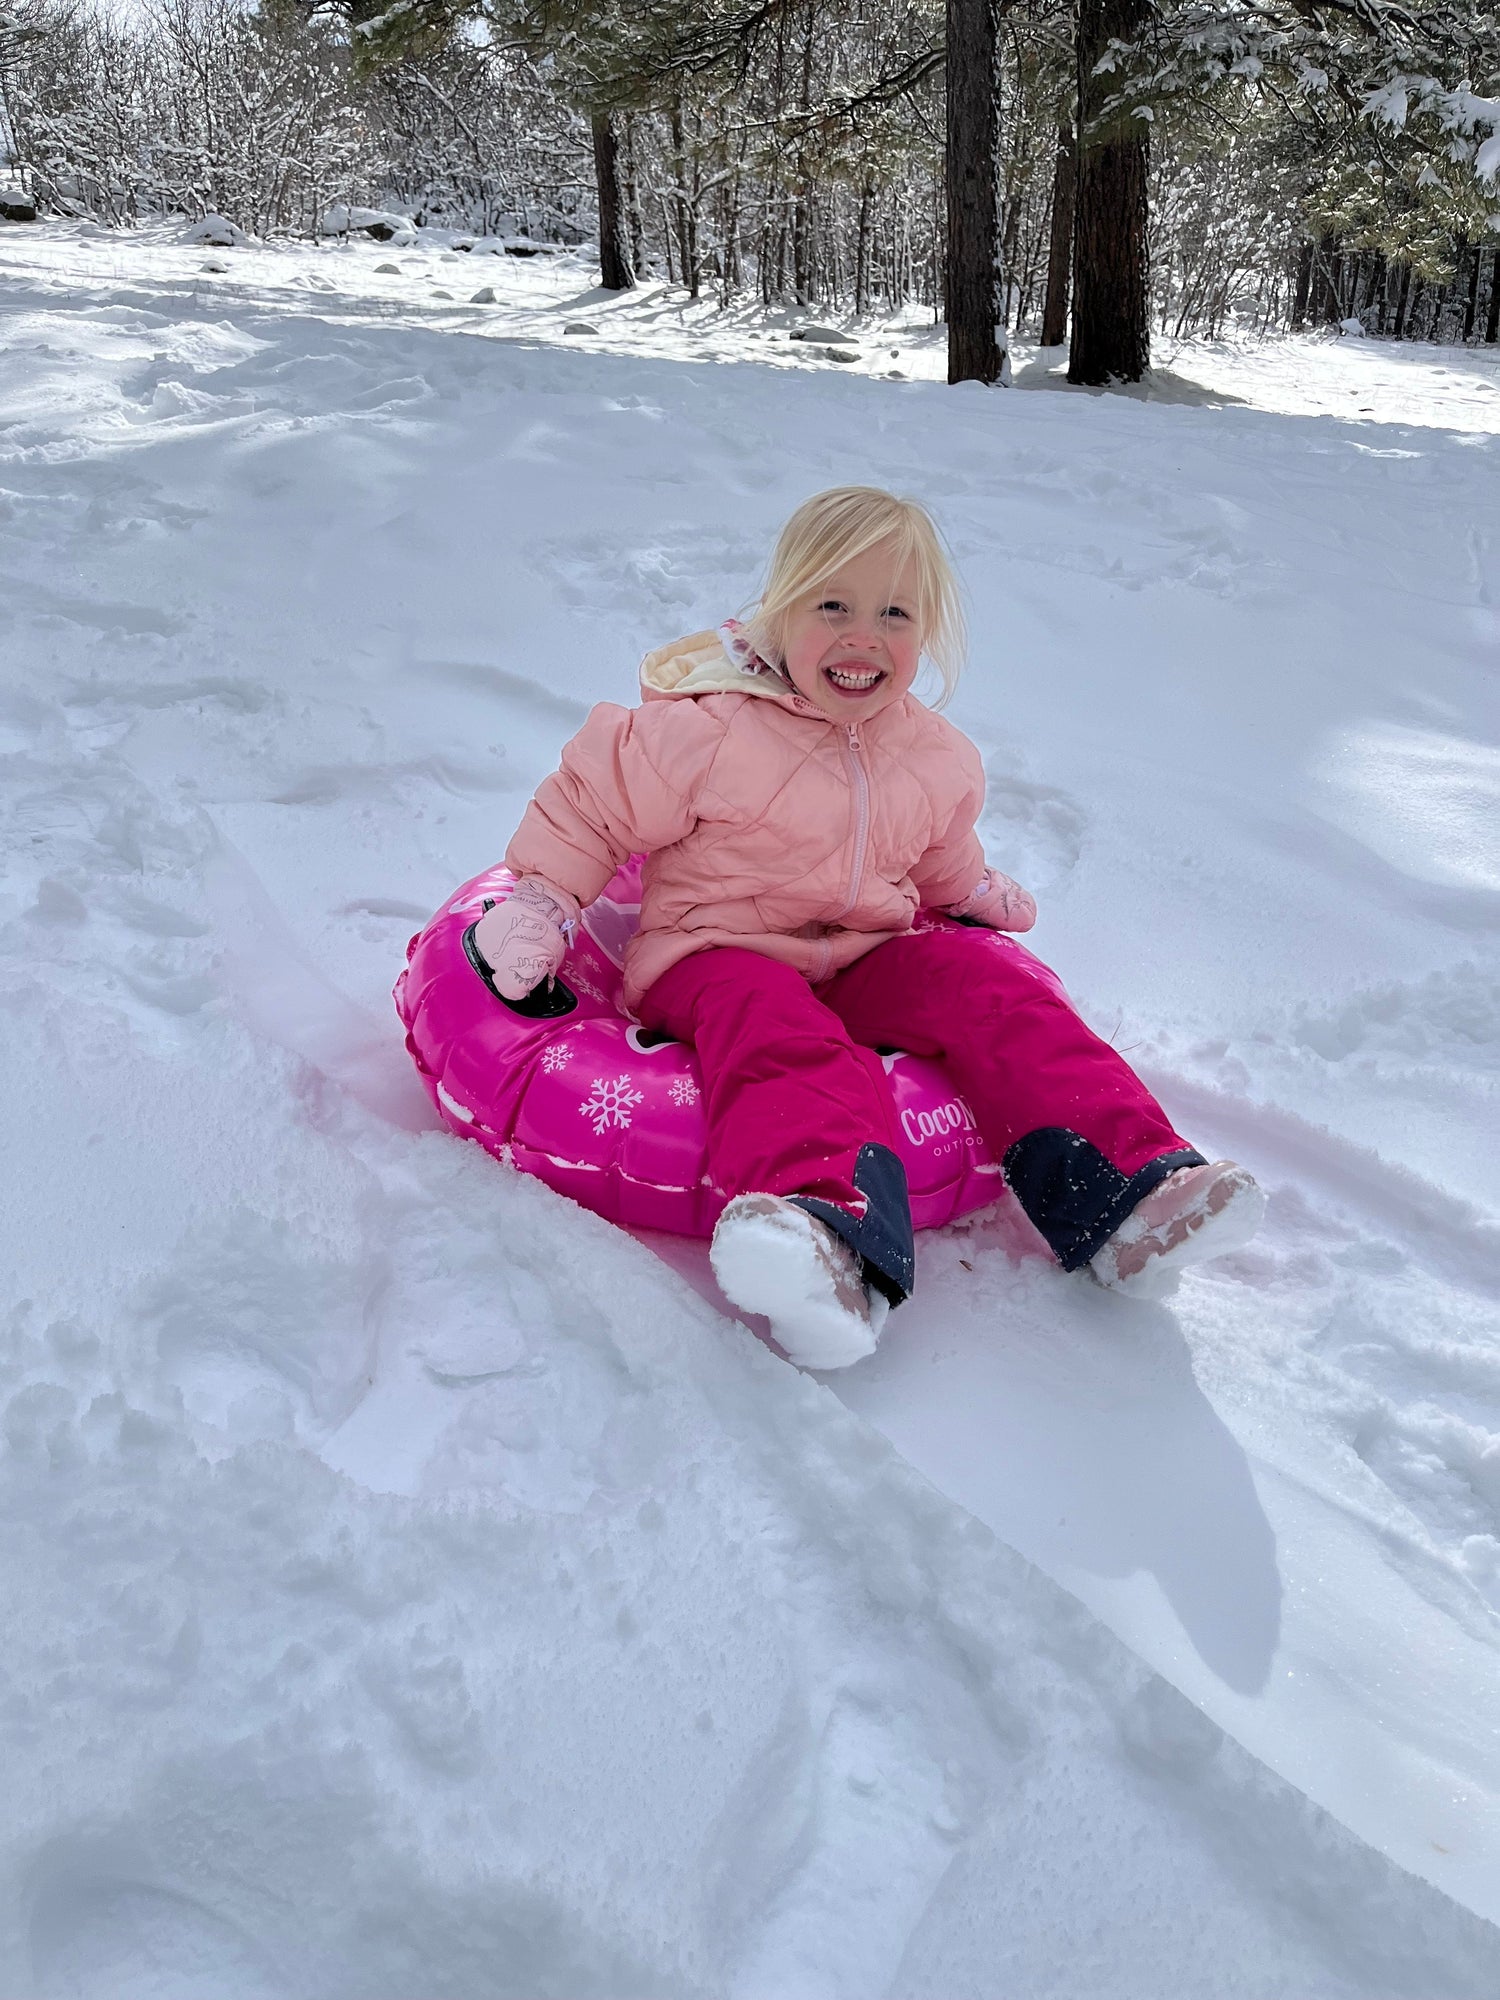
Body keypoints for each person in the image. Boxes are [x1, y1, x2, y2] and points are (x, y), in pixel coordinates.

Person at [479, 486, 1264, 1369]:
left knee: (991, 989)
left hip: (862, 953)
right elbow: (594, 810)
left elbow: (935, 854)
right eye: (834, 605)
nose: (865, 636)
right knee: (776, 1024)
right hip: (715, 949)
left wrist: (972, 892)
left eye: (896, 612)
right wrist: (544, 903)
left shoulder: (928, 754)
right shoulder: (703, 729)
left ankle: (1128, 1195)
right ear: (781, 611)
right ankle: (825, 1237)